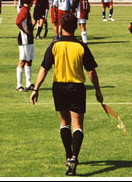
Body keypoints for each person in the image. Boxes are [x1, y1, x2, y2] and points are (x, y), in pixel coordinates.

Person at [30, 12, 104, 176]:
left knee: (65, 122)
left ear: (61, 27)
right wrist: (98, 91)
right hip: (77, 88)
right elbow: (91, 71)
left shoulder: (54, 45)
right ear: (76, 27)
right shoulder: (81, 46)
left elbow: (44, 68)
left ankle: (68, 155)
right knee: (78, 124)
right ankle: (74, 157)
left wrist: (35, 89)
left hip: (59, 88)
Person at [15, 0, 35, 92]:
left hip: (29, 38)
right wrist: (24, 31)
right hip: (24, 39)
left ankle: (29, 83)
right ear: (30, 2)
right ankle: (19, 85)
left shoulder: (27, 10)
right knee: (22, 60)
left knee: (29, 60)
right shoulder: (24, 10)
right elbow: (18, 22)